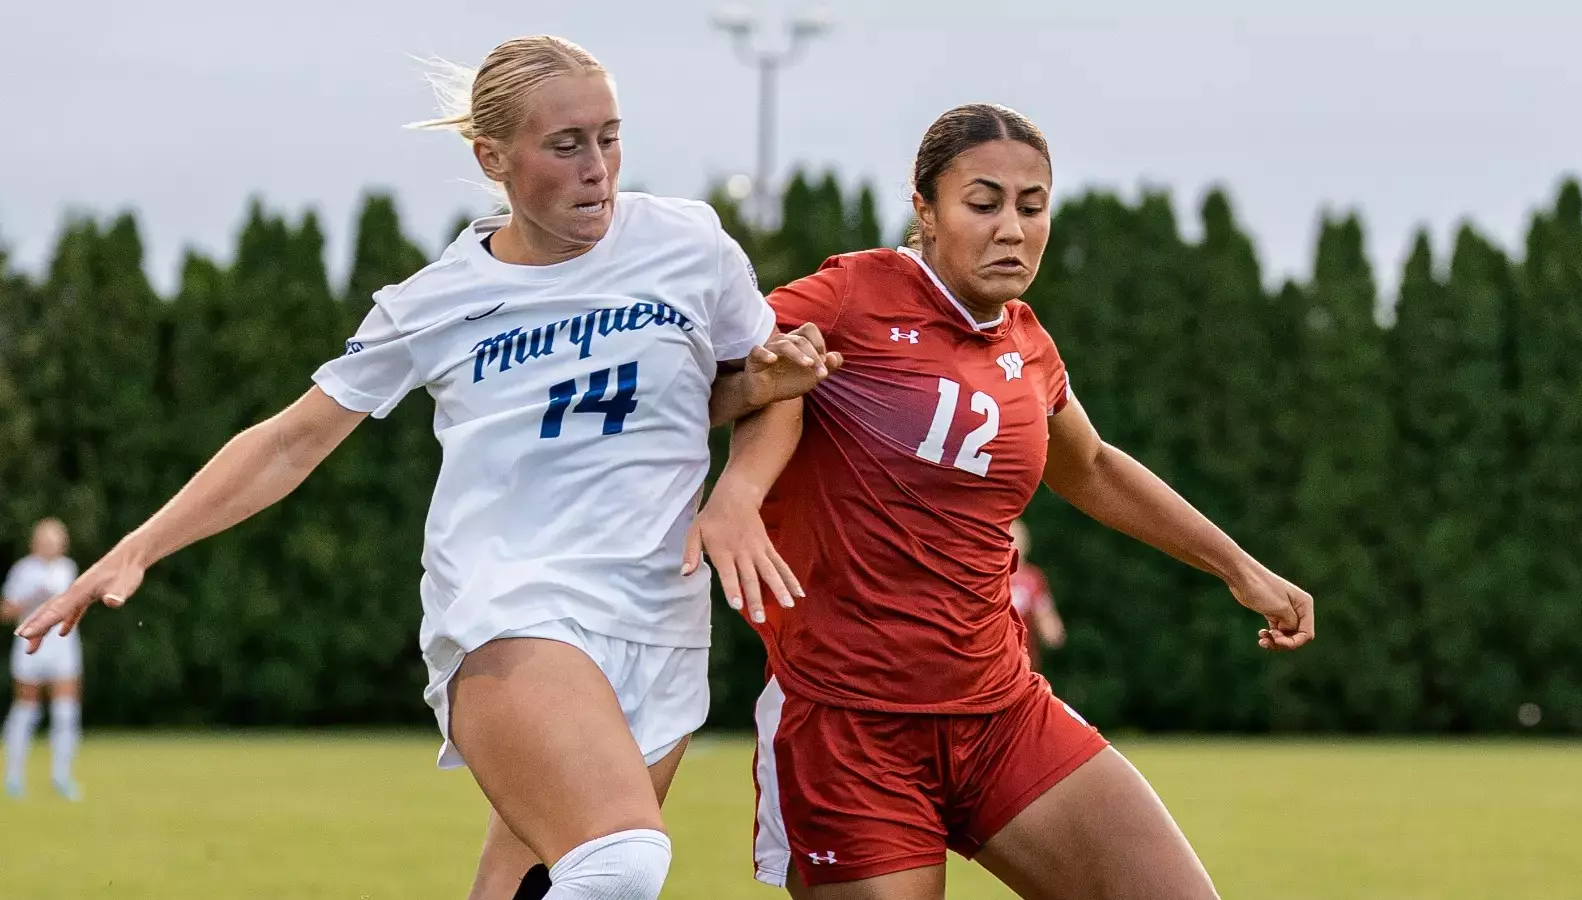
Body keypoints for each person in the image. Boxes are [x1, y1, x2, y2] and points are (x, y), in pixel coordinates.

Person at [18, 35, 840, 900]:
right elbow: (290, 440)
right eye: (566, 145)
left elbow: (761, 389)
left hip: (661, 619)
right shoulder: (436, 299)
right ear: (492, 157)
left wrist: (739, 490)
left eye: (610, 136)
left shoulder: (690, 244)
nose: (598, 166)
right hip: (512, 605)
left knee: (530, 886)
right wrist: (139, 546)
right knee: (622, 865)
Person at [745, 103, 1315, 900]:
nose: (1011, 227)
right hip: (852, 729)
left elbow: (1092, 468)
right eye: (983, 204)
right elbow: (740, 378)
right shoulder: (849, 294)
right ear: (925, 211)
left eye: (1032, 205)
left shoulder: (1025, 341)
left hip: (1001, 713)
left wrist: (1239, 569)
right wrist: (736, 490)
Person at [3, 518, 83, 801]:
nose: (51, 546)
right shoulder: (23, 570)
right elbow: (6, 611)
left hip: (62, 645)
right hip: (30, 645)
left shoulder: (68, 568)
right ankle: (14, 777)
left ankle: (62, 776)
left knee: (65, 712)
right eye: (46, 541)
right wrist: (32, 598)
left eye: (56, 541)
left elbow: (77, 604)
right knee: (26, 710)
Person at [1008, 520, 1065, 673]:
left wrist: (1051, 630)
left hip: (1024, 668)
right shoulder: (988, 579)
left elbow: (1050, 626)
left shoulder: (1032, 579)